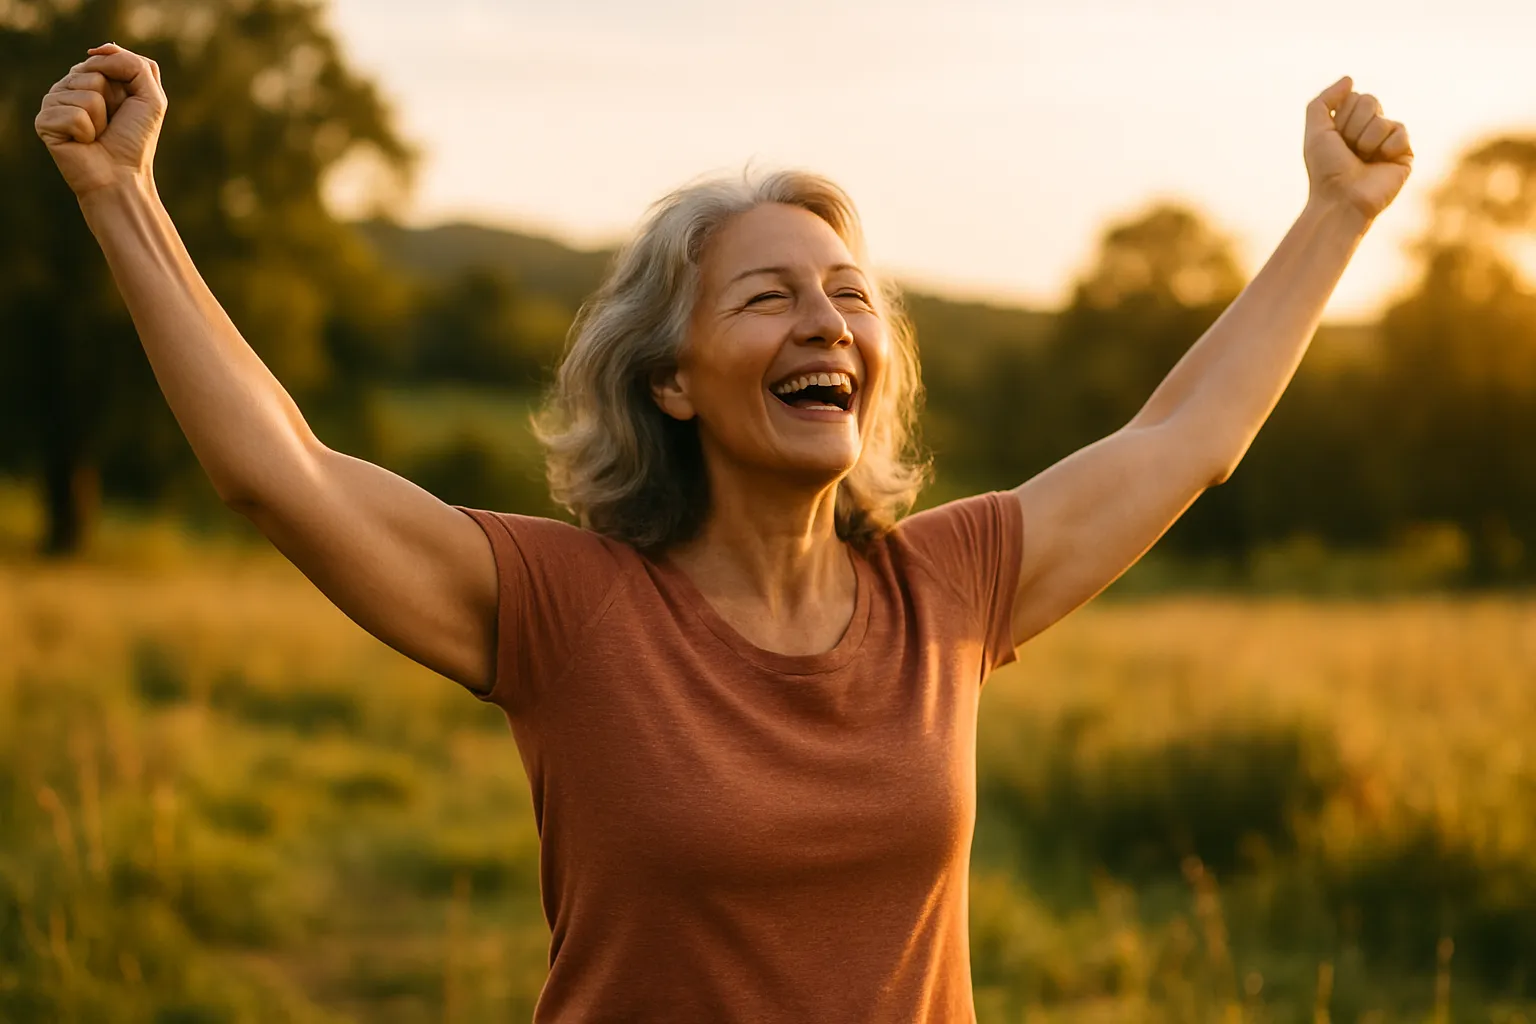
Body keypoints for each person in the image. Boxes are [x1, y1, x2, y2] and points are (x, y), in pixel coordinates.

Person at [37, 42, 1413, 1022]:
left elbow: (1186, 439)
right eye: (768, 297)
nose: (826, 321)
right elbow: (281, 472)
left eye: (850, 295)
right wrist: (123, 195)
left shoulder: (953, 582)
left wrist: (1334, 216)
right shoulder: (564, 607)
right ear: (672, 379)